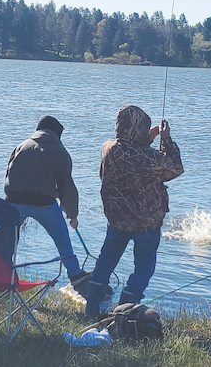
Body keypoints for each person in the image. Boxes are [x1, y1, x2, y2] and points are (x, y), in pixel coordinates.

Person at [86, 105, 183, 316]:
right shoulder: (146, 157)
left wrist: (145, 140)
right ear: (138, 128)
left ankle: (92, 308)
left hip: (117, 220)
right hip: (146, 223)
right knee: (144, 268)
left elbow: (132, 155)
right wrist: (166, 140)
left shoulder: (108, 147)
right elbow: (174, 167)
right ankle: (124, 309)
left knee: (106, 261)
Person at [4, 116, 91, 294]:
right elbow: (67, 187)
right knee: (61, 236)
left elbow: (8, 174)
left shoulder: (22, 146)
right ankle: (75, 274)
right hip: (43, 203)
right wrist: (72, 215)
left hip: (14, 201)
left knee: (6, 239)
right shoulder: (60, 152)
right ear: (57, 134)